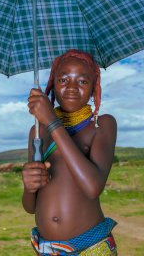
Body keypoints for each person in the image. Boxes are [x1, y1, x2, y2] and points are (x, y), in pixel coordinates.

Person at [23, 49, 118, 255]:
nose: (72, 88)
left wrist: (52, 122)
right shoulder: (36, 131)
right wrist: (29, 187)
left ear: (94, 87)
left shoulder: (101, 125)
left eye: (82, 81)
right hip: (46, 249)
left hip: (89, 247)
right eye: (63, 80)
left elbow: (92, 187)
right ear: (53, 85)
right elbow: (30, 207)